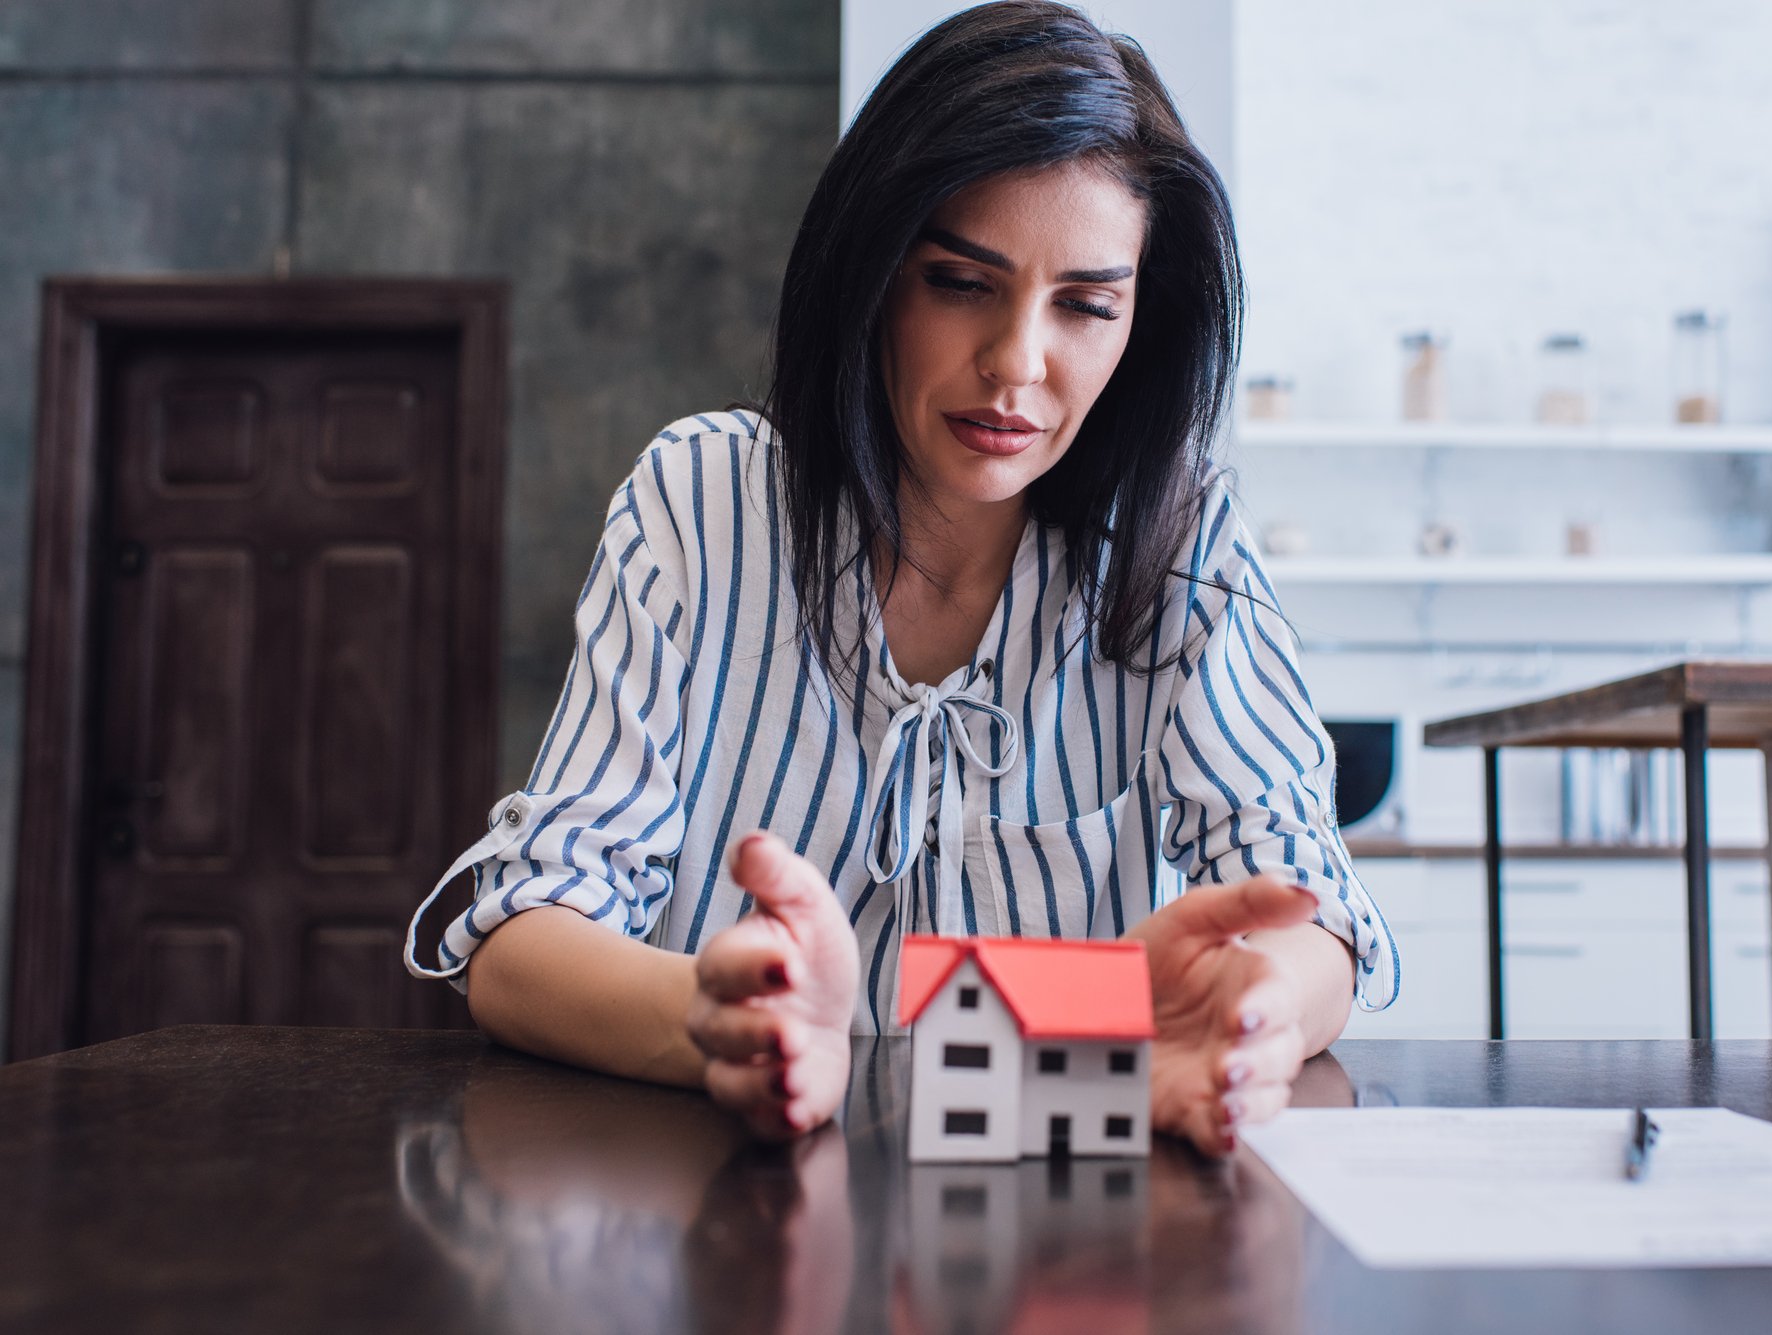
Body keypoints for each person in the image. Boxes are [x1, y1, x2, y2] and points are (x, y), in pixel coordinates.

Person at [403, 0, 1398, 1157]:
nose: (1016, 365)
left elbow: (1311, 918)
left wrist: (1241, 1020)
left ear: (1141, 324)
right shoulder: (701, 501)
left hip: (1058, 1227)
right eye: (960, 282)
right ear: (870, 274)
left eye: (1085, 305)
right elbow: (520, 937)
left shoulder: (1181, 546)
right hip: (730, 1215)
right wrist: (724, 1026)